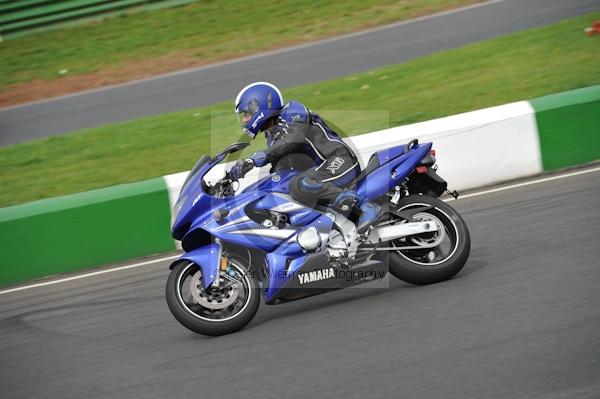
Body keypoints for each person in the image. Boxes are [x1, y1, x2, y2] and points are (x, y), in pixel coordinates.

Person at [229, 82, 382, 233]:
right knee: (283, 189)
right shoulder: (272, 136)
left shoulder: (293, 111)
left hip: (339, 159)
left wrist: (256, 159)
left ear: (259, 107)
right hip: (319, 172)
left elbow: (293, 139)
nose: (244, 120)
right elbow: (282, 169)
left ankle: (363, 207)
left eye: (246, 114)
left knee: (302, 184)